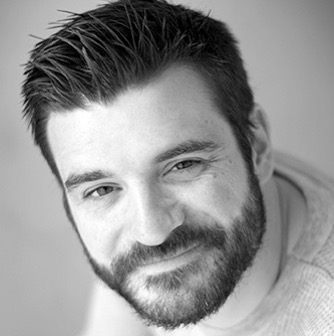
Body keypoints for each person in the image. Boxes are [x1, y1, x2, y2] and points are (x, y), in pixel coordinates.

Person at [21, 0, 334, 335]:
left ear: (257, 148)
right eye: (102, 189)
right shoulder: (135, 245)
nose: (151, 232)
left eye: (183, 165)